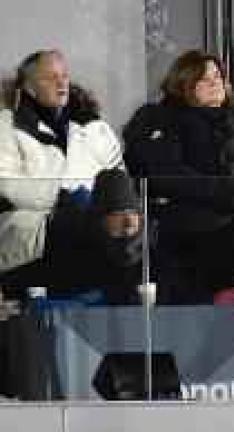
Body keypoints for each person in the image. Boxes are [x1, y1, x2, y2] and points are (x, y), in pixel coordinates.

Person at [124, 50, 234, 303]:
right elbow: (169, 175)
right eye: (204, 79)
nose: (215, 83)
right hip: (198, 226)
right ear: (184, 84)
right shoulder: (164, 118)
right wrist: (230, 196)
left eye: (218, 76)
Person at [0, 49, 141, 301]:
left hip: (97, 225)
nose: (61, 82)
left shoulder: (94, 127)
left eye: (64, 76)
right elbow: (7, 184)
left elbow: (118, 179)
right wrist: (64, 197)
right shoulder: (6, 125)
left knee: (130, 225)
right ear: (29, 87)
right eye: (50, 78)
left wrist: (97, 205)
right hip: (38, 227)